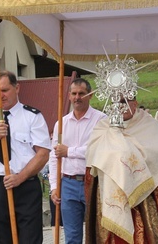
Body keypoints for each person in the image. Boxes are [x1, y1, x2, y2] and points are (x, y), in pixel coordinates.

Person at [0, 70, 51, 244]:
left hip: (26, 186)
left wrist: (20, 178)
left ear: (17, 88)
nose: (0, 96)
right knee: (4, 239)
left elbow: (43, 154)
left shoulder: (32, 117)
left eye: (4, 90)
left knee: (30, 239)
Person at [85, 96, 158, 243]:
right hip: (109, 194)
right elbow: (92, 164)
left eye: (125, 101)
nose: (121, 106)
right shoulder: (102, 128)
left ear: (135, 103)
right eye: (117, 102)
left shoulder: (149, 125)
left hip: (142, 195)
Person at [49, 78, 106, 244]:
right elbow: (54, 157)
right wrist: (54, 187)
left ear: (90, 95)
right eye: (74, 93)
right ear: (68, 96)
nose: (77, 97)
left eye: (81, 93)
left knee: (96, 233)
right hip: (68, 182)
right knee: (72, 237)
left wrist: (69, 151)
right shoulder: (62, 123)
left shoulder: (101, 120)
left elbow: (99, 150)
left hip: (93, 181)